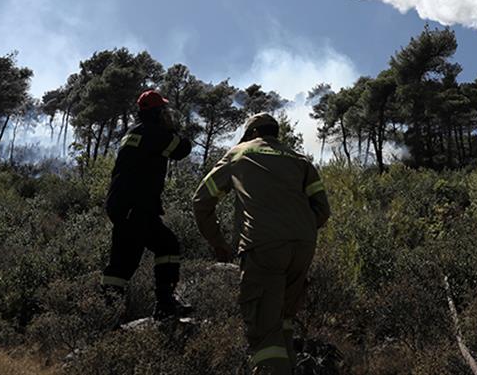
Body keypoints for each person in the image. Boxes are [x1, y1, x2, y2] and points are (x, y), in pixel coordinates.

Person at [193, 113, 331, 374]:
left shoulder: (238, 153)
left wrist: (218, 242)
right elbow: (322, 210)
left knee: (264, 330)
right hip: (303, 246)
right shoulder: (300, 160)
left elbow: (201, 200)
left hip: (263, 245)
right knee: (283, 320)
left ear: (252, 134)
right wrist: (296, 228)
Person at [101, 89, 193, 319]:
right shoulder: (155, 133)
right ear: (156, 112)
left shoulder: (133, 133)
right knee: (168, 245)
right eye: (163, 110)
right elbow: (182, 149)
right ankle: (165, 304)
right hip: (137, 206)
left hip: (122, 205)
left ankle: (105, 313)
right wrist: (174, 129)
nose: (166, 114)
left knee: (122, 262)